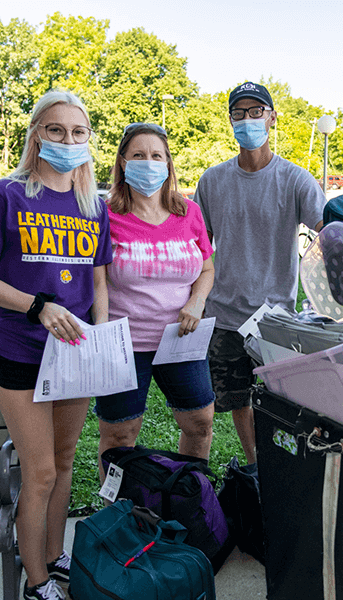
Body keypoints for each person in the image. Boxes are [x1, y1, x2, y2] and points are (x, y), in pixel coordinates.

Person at [0, 89, 112, 600]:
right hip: (22, 353)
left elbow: (97, 283)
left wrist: (99, 336)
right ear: (36, 135)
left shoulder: (94, 205)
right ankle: (36, 582)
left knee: (66, 460)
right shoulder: (6, 194)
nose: (67, 140)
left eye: (78, 132)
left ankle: (53, 551)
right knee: (42, 471)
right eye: (56, 130)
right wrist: (38, 306)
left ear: (89, 139)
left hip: (74, 354)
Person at [195, 81, 326, 468]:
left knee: (283, 402)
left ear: (271, 118)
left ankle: (285, 469)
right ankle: (257, 468)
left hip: (276, 320)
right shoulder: (212, 181)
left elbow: (329, 232)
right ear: (230, 121)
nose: (247, 120)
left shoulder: (296, 180)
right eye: (239, 113)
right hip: (225, 317)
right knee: (238, 402)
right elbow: (199, 249)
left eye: (256, 112)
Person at [95, 122, 216, 468]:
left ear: (167, 164)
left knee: (200, 424)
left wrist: (197, 302)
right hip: (125, 343)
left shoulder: (188, 211)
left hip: (181, 339)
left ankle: (188, 496)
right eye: (138, 155)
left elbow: (206, 269)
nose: (148, 162)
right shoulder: (106, 215)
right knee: (120, 436)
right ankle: (118, 514)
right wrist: (102, 332)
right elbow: (97, 283)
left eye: (156, 155)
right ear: (122, 162)